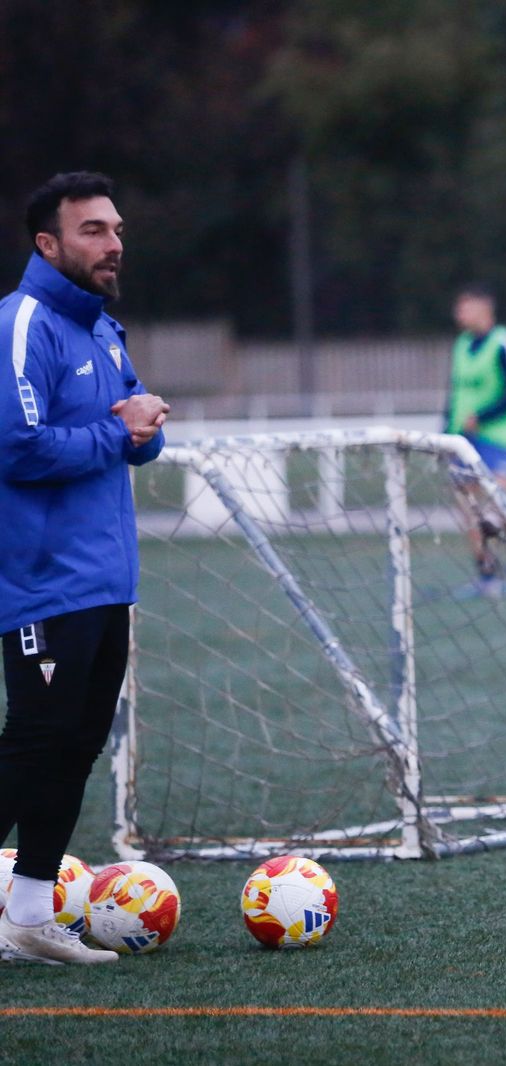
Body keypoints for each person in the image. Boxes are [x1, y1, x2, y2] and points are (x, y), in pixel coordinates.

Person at [0, 172, 168, 964]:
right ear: (48, 243)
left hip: (106, 579)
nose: (114, 244)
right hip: (41, 579)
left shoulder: (103, 329)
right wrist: (118, 431)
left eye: (117, 229)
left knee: (74, 747)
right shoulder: (22, 324)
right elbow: (18, 448)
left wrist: (144, 427)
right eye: (94, 230)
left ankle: (31, 916)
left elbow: (137, 436)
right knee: (33, 743)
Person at [442, 282, 506, 598]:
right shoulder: (462, 344)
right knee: (470, 511)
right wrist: (445, 434)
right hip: (461, 440)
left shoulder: (505, 342)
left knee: (499, 508)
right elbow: (455, 395)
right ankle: (487, 574)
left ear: (484, 308)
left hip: (495, 438)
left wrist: (482, 417)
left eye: (465, 307)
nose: (459, 313)